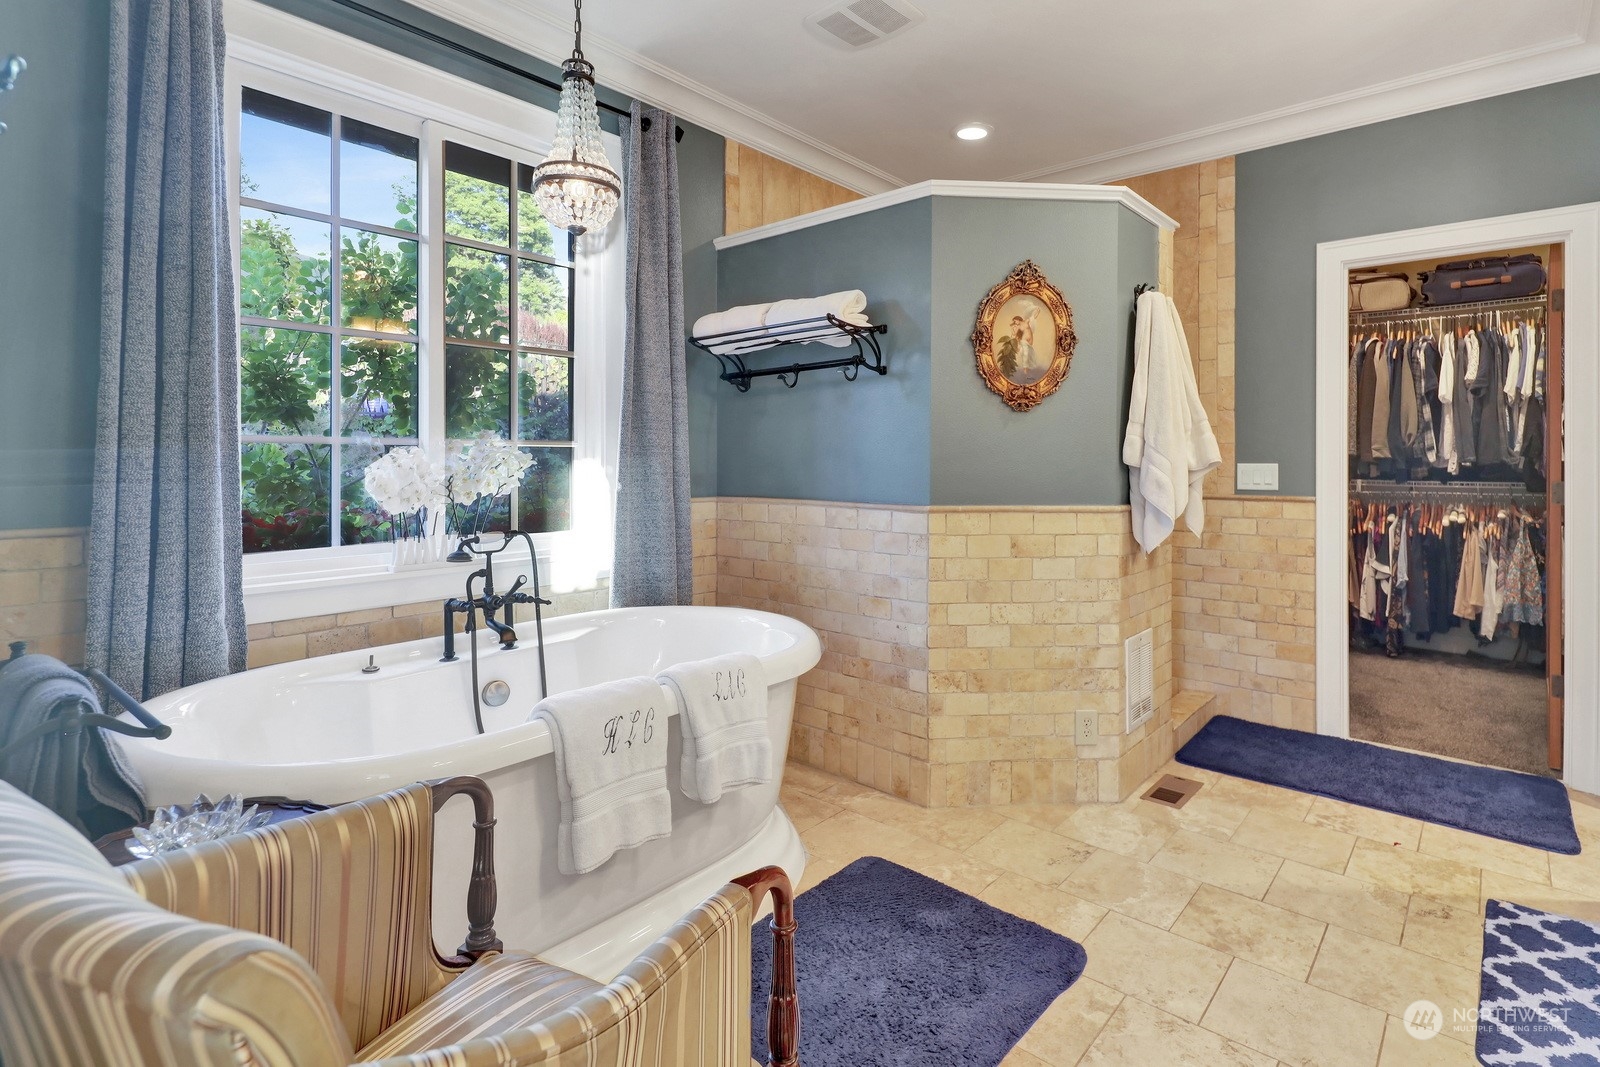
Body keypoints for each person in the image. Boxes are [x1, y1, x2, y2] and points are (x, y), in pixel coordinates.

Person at [996, 306, 1040, 383]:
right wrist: (1013, 330)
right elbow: (1014, 336)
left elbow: (1033, 317)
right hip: (1024, 341)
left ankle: (1028, 369)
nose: (1015, 322)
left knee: (1030, 355)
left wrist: (1037, 311)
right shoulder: (1017, 327)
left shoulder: (1026, 321)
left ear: (1018, 319)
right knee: (1025, 354)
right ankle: (1025, 370)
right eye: (1014, 321)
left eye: (1015, 321)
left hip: (1030, 341)